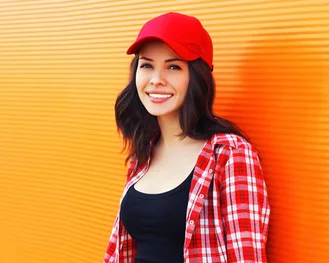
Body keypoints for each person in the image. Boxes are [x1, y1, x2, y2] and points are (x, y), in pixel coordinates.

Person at [103, 12, 270, 263]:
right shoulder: (142, 156)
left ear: (197, 77)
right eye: (147, 65)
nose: (156, 80)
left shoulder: (229, 155)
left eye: (173, 67)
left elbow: (247, 257)